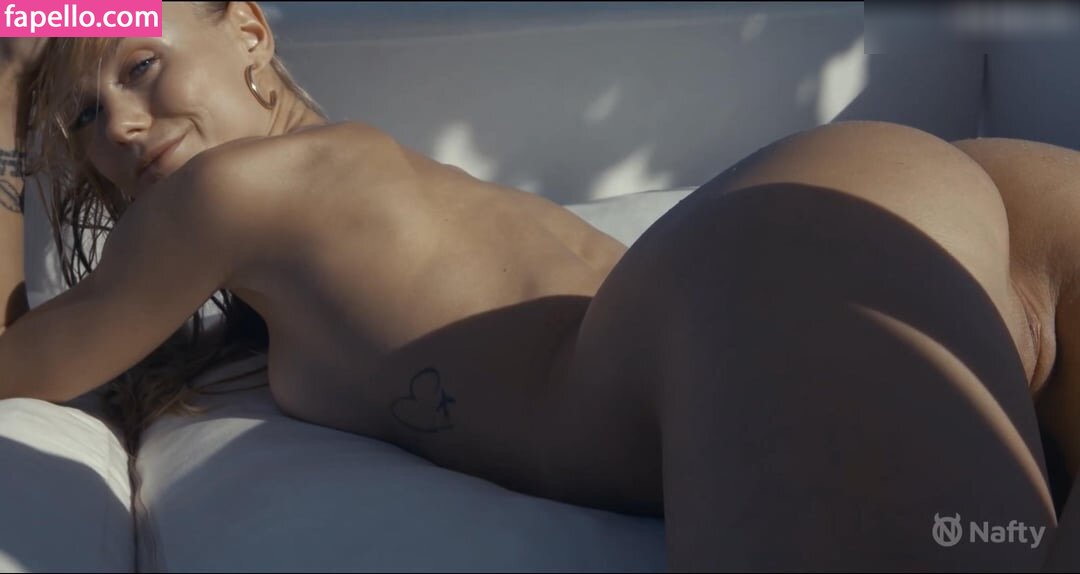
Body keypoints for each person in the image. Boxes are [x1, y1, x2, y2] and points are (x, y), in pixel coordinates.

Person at [3, 2, 1080, 570]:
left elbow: (26, 362)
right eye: (83, 116)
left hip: (784, 260)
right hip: (946, 205)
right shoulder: (351, 180)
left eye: (141, 66)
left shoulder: (225, 191)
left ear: (248, 27)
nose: (121, 125)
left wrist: (9, 89)